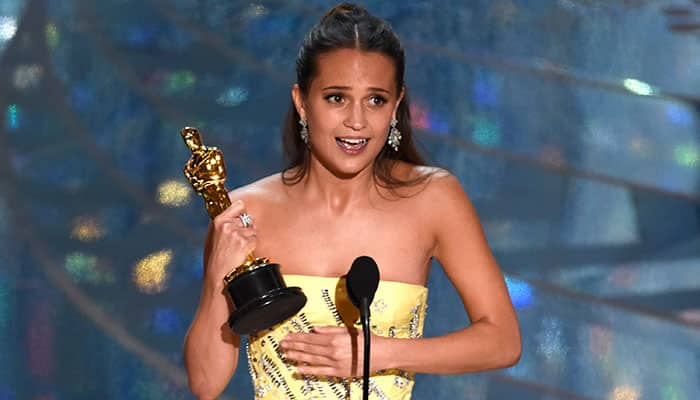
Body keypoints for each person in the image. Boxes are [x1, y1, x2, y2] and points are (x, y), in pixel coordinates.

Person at [183, 3, 521, 399]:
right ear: (301, 102)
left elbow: (502, 340)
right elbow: (205, 385)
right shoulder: (244, 213)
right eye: (337, 98)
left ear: (396, 105)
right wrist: (214, 281)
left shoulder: (434, 198)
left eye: (375, 100)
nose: (357, 121)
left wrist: (379, 353)